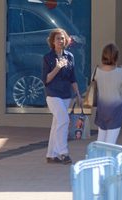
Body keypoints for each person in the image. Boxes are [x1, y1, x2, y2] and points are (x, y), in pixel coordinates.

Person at [42, 28, 82, 164]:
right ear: (53, 41)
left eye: (62, 38)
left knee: (57, 123)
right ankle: (63, 152)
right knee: (64, 120)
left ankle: (51, 154)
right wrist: (57, 67)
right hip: (53, 94)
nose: (60, 41)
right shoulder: (48, 57)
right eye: (58, 38)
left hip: (66, 95)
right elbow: (46, 79)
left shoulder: (69, 56)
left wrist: (78, 94)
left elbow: (73, 77)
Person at [95, 43, 122, 144]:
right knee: (110, 143)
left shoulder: (97, 71)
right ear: (116, 56)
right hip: (115, 112)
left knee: (100, 139)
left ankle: (97, 159)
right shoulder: (120, 72)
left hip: (102, 111)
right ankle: (106, 159)